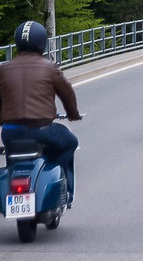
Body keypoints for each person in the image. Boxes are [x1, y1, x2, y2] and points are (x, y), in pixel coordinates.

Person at [0, 21, 83, 206]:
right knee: (70, 142)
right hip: (42, 130)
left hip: (10, 132)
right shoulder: (49, 68)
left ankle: (12, 189)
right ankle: (63, 189)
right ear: (41, 42)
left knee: (13, 156)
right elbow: (67, 93)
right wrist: (73, 113)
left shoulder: (3, 69)